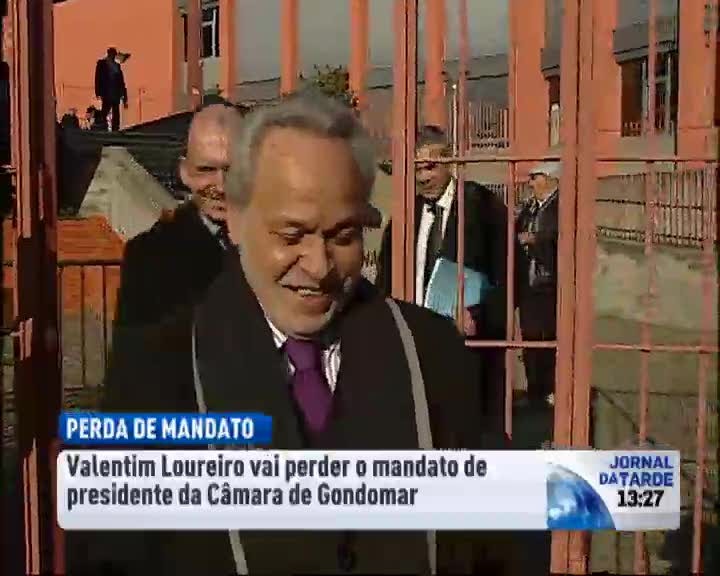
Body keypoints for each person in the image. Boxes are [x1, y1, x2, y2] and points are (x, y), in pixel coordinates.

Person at [70, 93, 514, 575]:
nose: (319, 267)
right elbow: (116, 553)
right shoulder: (158, 374)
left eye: (342, 236)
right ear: (236, 221)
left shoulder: (432, 353)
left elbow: (489, 541)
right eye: (291, 235)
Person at [376, 125, 508, 434]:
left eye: (431, 166)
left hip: (466, 343)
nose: (423, 177)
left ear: (450, 161)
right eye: (417, 168)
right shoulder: (405, 215)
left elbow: (507, 273)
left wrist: (479, 316)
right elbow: (386, 277)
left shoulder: (482, 207)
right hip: (414, 340)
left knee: (464, 430)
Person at [113, 104, 240, 327]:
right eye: (206, 170)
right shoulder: (149, 257)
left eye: (233, 170)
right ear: (184, 172)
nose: (221, 186)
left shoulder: (282, 244)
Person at [515, 162, 559, 412]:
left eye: (535, 177)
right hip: (529, 284)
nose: (530, 183)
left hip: (552, 284)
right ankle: (534, 390)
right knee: (530, 337)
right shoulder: (530, 207)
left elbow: (563, 235)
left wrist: (536, 239)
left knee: (552, 338)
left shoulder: (561, 205)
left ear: (550, 178)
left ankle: (553, 388)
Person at [94, 47, 128, 131]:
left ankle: (115, 129)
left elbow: (121, 82)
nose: (113, 56)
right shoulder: (102, 64)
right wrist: (98, 92)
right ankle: (102, 127)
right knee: (105, 111)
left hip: (115, 93)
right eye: (112, 54)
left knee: (115, 112)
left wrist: (124, 96)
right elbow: (98, 78)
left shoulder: (117, 66)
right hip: (107, 92)